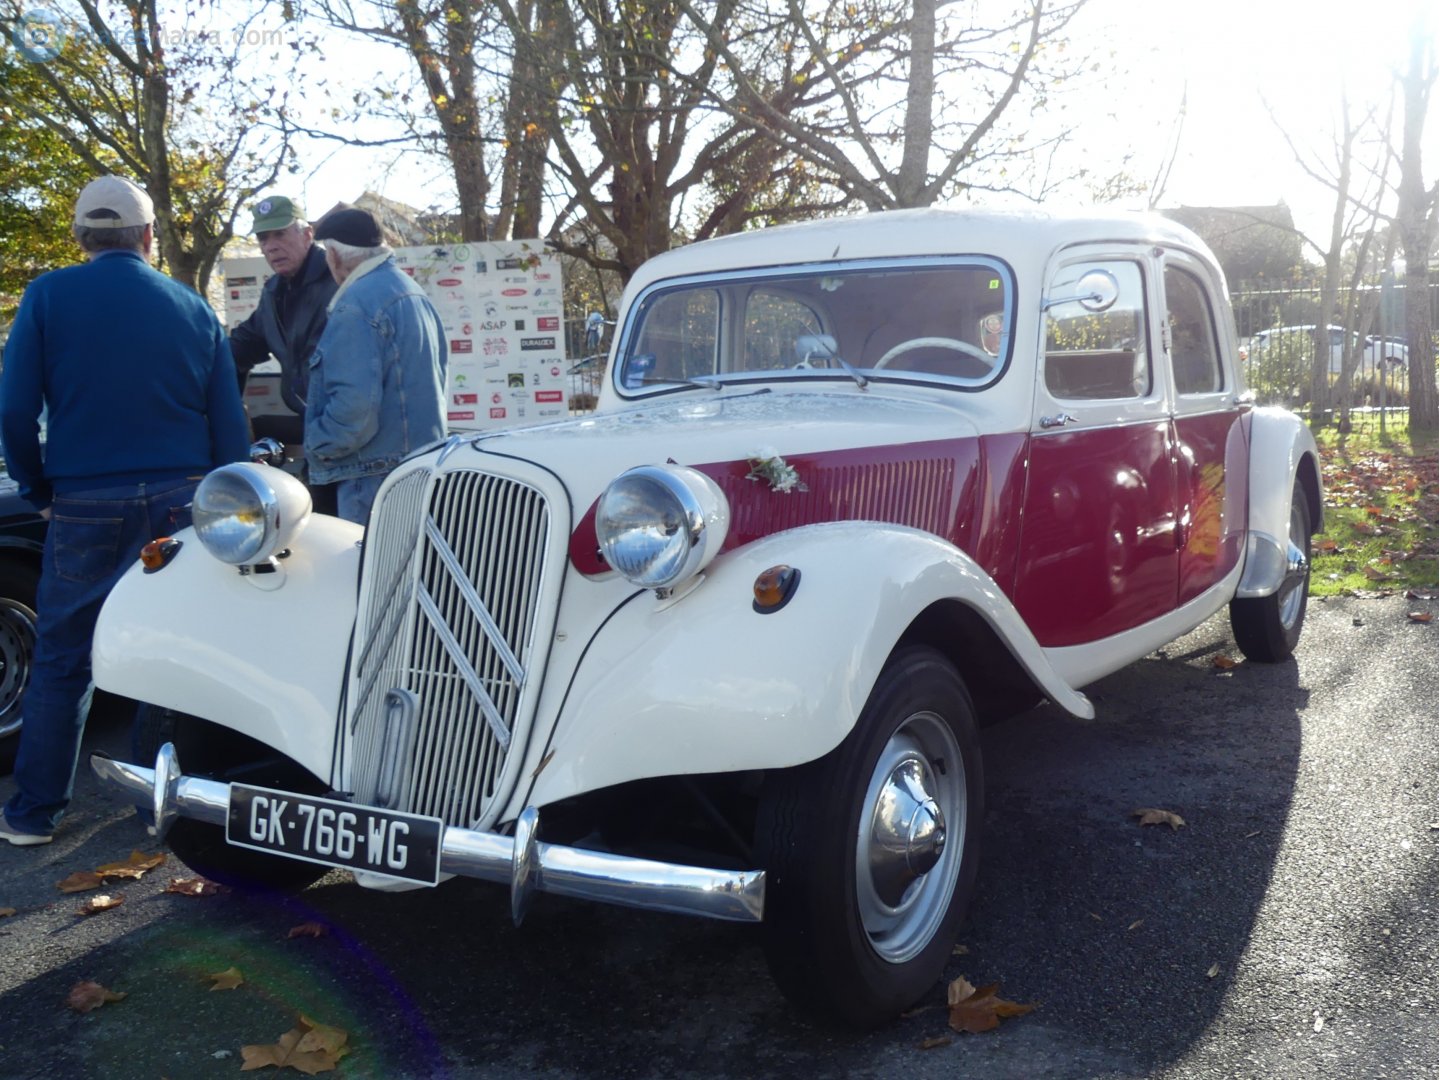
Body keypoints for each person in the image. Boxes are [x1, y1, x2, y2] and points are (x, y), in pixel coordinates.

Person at [0, 175, 250, 845]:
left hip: (83, 502)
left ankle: (33, 814)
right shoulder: (192, 307)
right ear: (147, 237)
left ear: (82, 237)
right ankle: (170, 807)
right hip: (179, 503)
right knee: (179, 655)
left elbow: (15, 411)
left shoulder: (48, 295)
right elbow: (231, 434)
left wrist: (39, 490)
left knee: (62, 660)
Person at [305, 208, 447, 526]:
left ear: (333, 254)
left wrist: (316, 443)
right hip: (420, 466)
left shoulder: (356, 304)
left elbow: (354, 410)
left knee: (367, 572)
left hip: (371, 476)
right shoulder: (410, 290)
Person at [228, 195, 339, 512]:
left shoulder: (338, 279)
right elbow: (238, 349)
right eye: (264, 238)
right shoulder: (275, 291)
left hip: (351, 439)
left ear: (307, 234)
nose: (271, 246)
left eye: (280, 234)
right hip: (315, 433)